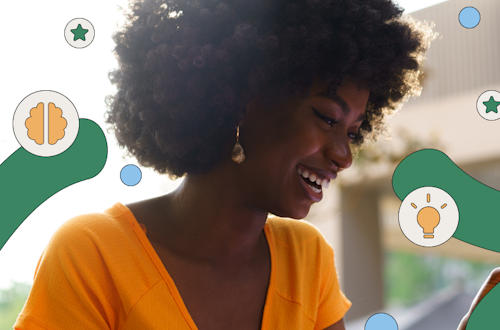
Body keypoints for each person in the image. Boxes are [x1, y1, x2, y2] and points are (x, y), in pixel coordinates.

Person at [14, 0, 437, 329]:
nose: (343, 156)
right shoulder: (94, 254)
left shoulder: (306, 261)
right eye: (327, 118)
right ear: (239, 101)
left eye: (351, 132)